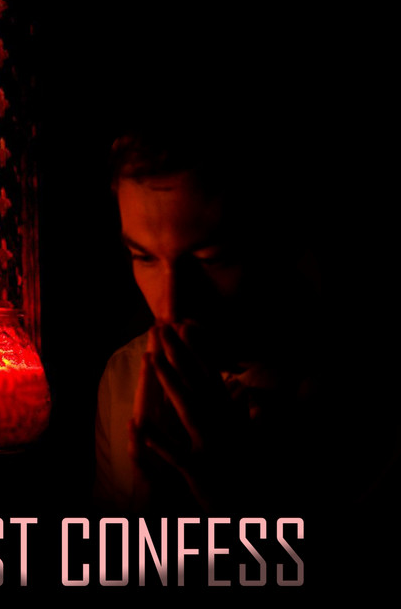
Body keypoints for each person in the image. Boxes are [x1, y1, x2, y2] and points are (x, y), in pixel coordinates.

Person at [93, 122, 357, 516]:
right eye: (144, 257)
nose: (171, 310)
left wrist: (240, 506)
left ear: (283, 240)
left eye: (211, 259)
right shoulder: (124, 378)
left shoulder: (359, 397)